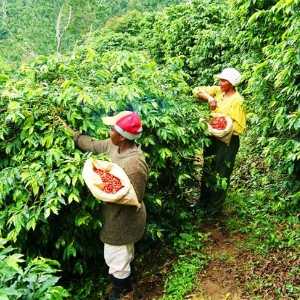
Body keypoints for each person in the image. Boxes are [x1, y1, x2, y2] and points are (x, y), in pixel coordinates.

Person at [62, 111, 148, 300]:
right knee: (122, 255)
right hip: (113, 215)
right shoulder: (113, 146)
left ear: (123, 136)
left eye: (112, 129)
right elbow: (92, 145)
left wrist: (104, 190)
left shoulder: (134, 164)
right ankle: (123, 285)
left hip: (124, 220)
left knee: (117, 257)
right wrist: (73, 135)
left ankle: (123, 292)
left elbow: (134, 197)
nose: (109, 132)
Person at [194, 68, 246, 218]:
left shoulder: (238, 100)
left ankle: (214, 210)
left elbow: (238, 128)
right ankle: (202, 203)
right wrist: (209, 98)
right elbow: (197, 90)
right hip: (212, 138)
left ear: (231, 84)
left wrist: (223, 124)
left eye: (224, 81)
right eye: (221, 80)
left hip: (227, 142)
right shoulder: (217, 91)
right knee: (208, 169)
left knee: (221, 173)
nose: (220, 83)